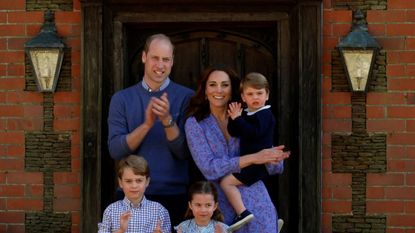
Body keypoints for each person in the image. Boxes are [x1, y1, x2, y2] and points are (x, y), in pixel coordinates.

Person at [184, 65, 290, 233]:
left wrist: (274, 159)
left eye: (225, 85)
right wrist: (253, 158)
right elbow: (209, 168)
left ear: (232, 89)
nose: (219, 90)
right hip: (220, 206)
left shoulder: (248, 116)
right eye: (212, 85)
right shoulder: (195, 124)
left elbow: (273, 165)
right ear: (204, 90)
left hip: (257, 201)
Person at [107, 33, 194, 228]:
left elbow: (184, 152)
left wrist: (167, 120)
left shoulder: (187, 97)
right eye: (155, 58)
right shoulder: (121, 99)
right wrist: (146, 125)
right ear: (144, 57)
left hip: (174, 195)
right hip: (131, 194)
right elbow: (116, 150)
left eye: (166, 59)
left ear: (172, 62)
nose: (160, 65)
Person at [220, 72, 282, 231]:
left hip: (257, 165)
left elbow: (253, 133)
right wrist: (234, 118)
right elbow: (235, 131)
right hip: (250, 162)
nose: (255, 97)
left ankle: (243, 213)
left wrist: (239, 119)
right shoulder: (248, 113)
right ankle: (270, 221)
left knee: (226, 182)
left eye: (259, 93)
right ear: (243, 97)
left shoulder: (265, 114)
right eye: (250, 94)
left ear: (267, 95)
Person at [98, 155, 171, 233]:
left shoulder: (160, 211)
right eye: (128, 181)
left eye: (139, 180)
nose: (134, 186)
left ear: (147, 182)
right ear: (120, 182)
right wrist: (121, 230)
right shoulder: (111, 211)